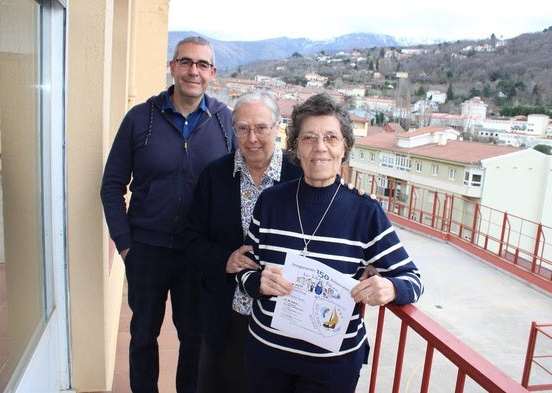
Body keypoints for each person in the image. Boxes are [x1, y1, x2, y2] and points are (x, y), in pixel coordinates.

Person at [236, 92, 424, 393]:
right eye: (309, 138)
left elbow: (412, 280)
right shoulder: (270, 202)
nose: (320, 148)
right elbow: (244, 270)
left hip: (331, 368)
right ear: (296, 146)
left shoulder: (365, 212)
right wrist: (256, 281)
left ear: (345, 147)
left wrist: (389, 288)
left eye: (331, 138)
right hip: (266, 356)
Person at [100, 36, 237, 393]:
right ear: (172, 67)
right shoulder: (140, 119)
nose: (194, 71)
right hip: (146, 250)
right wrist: (125, 244)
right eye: (186, 62)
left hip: (198, 254)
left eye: (202, 65)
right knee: (143, 335)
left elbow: (254, 172)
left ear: (213, 74)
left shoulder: (226, 122)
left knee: (194, 340)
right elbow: (111, 185)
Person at [183, 90, 302, 393]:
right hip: (228, 312)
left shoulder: (300, 177)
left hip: (284, 318)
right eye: (243, 128)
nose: (252, 138)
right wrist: (225, 259)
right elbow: (192, 238)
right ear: (234, 129)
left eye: (261, 128)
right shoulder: (214, 175)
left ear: (278, 128)